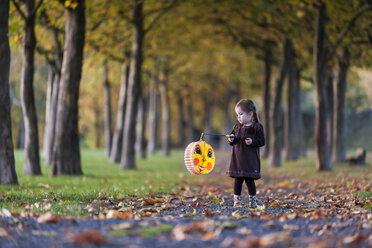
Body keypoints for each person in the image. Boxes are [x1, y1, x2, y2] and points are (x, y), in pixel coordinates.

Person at [226, 99, 265, 208]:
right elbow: (232, 140)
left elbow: (262, 142)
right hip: (238, 160)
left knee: (249, 180)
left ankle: (253, 201)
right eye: (237, 115)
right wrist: (230, 140)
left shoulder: (257, 127)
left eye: (240, 114)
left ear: (250, 114)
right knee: (237, 180)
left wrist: (253, 142)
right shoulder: (236, 127)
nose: (238, 117)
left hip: (250, 160)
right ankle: (237, 201)